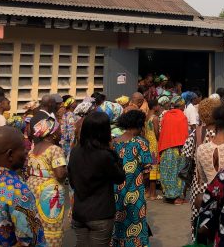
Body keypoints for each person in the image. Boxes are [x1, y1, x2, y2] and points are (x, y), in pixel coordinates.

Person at [68, 111, 126, 246]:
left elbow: (72, 181)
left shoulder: (75, 151)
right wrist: (113, 152)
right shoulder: (105, 155)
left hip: (80, 212)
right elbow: (119, 177)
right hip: (100, 214)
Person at [0, 126, 47, 246]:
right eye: (23, 148)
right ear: (10, 154)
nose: (27, 152)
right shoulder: (17, 190)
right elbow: (31, 240)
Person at [182, 97, 221, 239]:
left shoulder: (196, 133)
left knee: (197, 219)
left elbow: (186, 154)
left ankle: (196, 240)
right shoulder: (222, 134)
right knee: (216, 220)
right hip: (218, 184)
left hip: (198, 184)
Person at [112, 110, 152, 247]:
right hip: (135, 193)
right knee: (135, 223)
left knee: (118, 224)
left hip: (115, 192)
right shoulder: (141, 143)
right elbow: (146, 172)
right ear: (140, 125)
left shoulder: (114, 142)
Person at [26, 117, 67, 246]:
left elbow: (28, 170)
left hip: (31, 187)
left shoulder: (33, 149)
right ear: (52, 133)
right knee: (51, 226)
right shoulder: (55, 149)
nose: (61, 132)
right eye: (59, 130)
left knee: (35, 223)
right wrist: (68, 170)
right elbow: (60, 174)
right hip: (48, 193)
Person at [158, 95, 188, 204]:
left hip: (166, 148)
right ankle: (175, 198)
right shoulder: (182, 116)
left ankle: (168, 196)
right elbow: (184, 134)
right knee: (177, 173)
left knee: (167, 172)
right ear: (181, 105)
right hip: (178, 149)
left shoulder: (166, 115)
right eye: (184, 105)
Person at [145, 98, 161, 200]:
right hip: (154, 144)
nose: (159, 107)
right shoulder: (155, 118)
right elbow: (156, 133)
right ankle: (153, 194)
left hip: (147, 144)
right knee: (154, 169)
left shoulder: (146, 117)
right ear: (154, 107)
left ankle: (147, 192)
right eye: (158, 105)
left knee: (148, 168)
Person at [60, 96, 78, 161]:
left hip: (64, 142)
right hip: (69, 143)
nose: (76, 103)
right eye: (74, 102)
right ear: (71, 105)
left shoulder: (65, 114)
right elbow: (71, 132)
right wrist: (73, 144)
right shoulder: (71, 115)